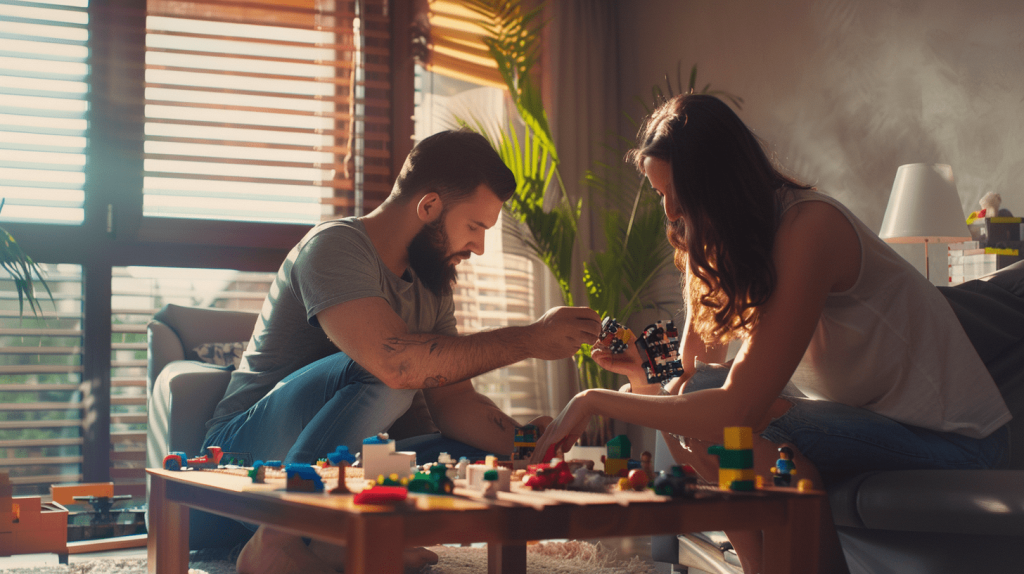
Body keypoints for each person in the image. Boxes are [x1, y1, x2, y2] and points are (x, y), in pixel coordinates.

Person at [529, 94, 1023, 574]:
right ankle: (759, 567)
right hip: (863, 426)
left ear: (715, 183)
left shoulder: (811, 226)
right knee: (689, 394)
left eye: (674, 193)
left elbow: (738, 407)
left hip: (956, 444)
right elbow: (685, 375)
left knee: (719, 409)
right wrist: (641, 379)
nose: (670, 212)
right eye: (660, 195)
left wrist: (593, 399)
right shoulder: (715, 244)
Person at [204, 129, 601, 574]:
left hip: (343, 459)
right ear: (429, 206)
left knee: (477, 460)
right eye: (475, 227)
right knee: (389, 371)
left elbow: (456, 404)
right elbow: (396, 364)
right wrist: (529, 339)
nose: (479, 246)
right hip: (240, 464)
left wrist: (531, 444)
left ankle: (339, 542)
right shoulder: (334, 245)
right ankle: (278, 540)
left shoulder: (432, 285)